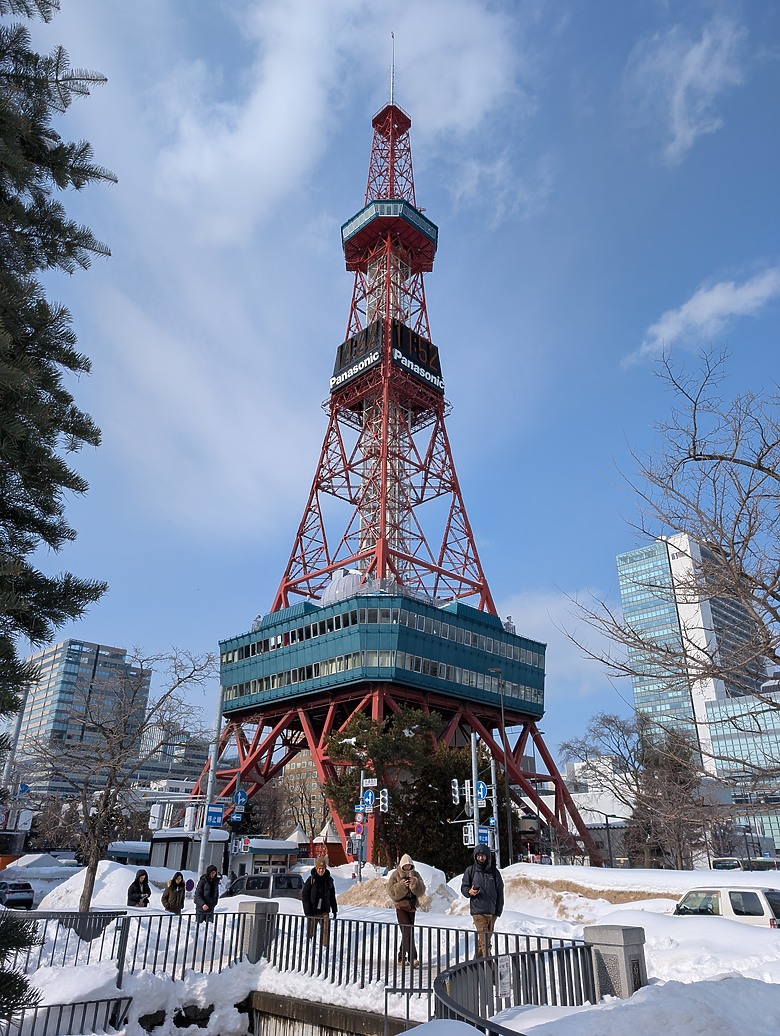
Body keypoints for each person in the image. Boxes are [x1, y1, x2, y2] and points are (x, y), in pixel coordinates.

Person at [461, 846, 504, 957]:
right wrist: (469, 891)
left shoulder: (494, 872)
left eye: (483, 856)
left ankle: (476, 965)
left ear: (488, 857)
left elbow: (500, 891)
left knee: (483, 941)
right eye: (478, 856)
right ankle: (491, 967)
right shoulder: (471, 870)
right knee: (485, 941)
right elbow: (464, 887)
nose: (481, 858)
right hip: (478, 910)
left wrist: (498, 910)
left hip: (491, 911)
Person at [388, 853, 425, 964]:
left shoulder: (416, 874)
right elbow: (391, 892)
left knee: (407, 932)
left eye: (409, 865)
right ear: (402, 865)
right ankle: (412, 957)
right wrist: (402, 885)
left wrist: (414, 884)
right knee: (407, 931)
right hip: (400, 907)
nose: (407, 867)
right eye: (405, 865)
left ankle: (401, 956)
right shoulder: (395, 875)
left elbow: (421, 891)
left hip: (412, 906)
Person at [302, 857, 338, 946]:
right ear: (316, 868)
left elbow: (332, 896)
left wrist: (334, 910)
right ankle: (309, 949)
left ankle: (324, 949)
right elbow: (304, 895)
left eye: (323, 868)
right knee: (310, 932)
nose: (321, 870)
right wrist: (307, 911)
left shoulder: (329, 880)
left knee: (325, 932)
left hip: (324, 911)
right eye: (319, 868)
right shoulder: (311, 879)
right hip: (313, 911)